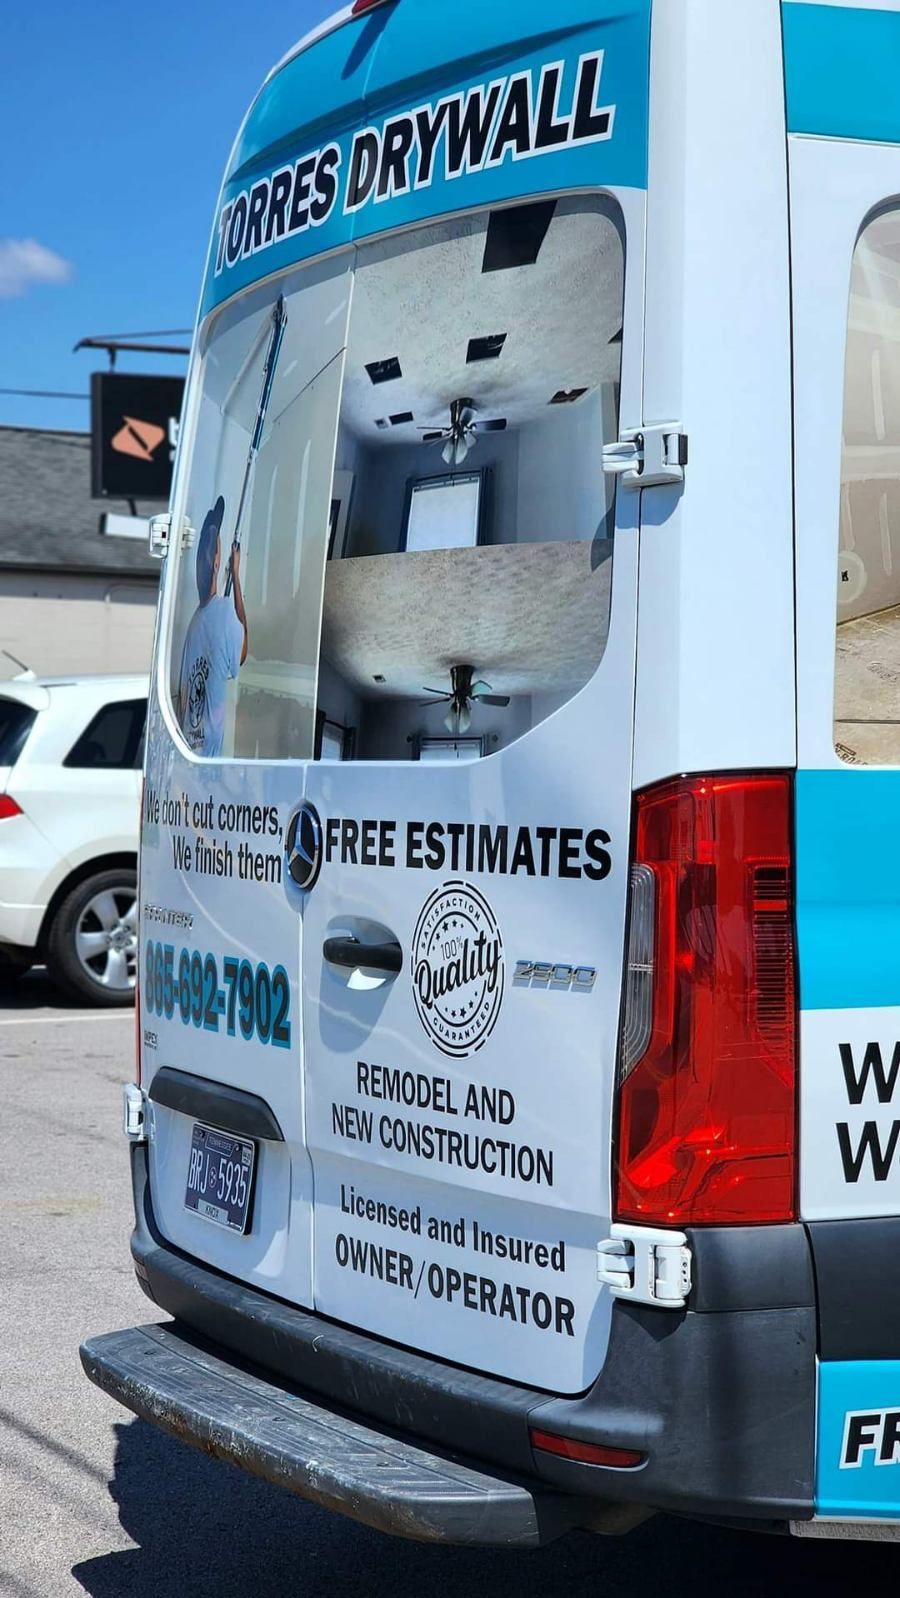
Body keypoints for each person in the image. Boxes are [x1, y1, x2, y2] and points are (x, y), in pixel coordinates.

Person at [177, 496, 249, 757]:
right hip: (209, 758)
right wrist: (236, 577)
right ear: (217, 564)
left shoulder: (194, 623)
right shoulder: (224, 612)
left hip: (189, 750)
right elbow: (242, 654)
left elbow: (184, 698)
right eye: (218, 546)